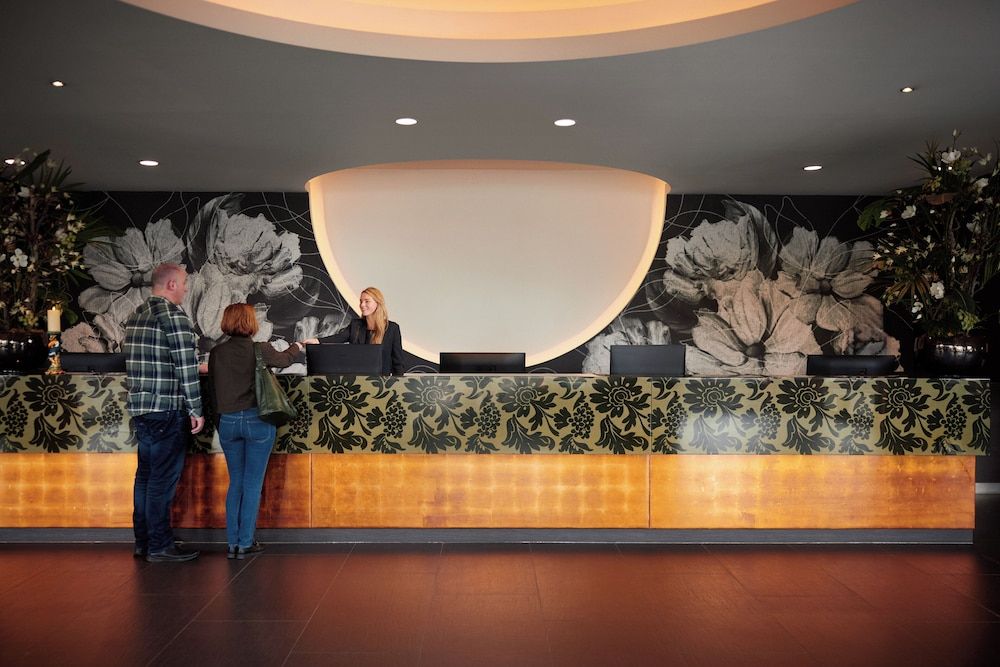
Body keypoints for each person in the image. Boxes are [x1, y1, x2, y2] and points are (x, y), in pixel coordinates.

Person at [208, 303, 306, 559]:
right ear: (251, 322)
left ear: (226, 322)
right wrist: (298, 346)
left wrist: (221, 423)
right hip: (257, 421)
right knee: (252, 484)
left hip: (228, 422)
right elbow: (285, 360)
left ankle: (232, 544)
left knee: (236, 483)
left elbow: (212, 392)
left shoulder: (217, 352)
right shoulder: (260, 349)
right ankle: (245, 543)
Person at [124, 263, 205, 563]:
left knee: (144, 478)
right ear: (171, 284)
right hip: (167, 409)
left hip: (141, 410)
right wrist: (196, 409)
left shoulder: (136, 315)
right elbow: (187, 368)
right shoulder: (173, 317)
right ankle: (160, 545)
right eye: (183, 284)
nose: (185, 289)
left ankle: (143, 542)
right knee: (161, 481)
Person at [305, 286, 404, 375]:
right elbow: (339, 337)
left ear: (377, 303)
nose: (362, 305)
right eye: (361, 301)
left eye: (367, 301)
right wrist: (317, 341)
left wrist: (398, 384)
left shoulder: (392, 328)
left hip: (382, 383)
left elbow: (397, 362)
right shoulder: (356, 325)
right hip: (357, 380)